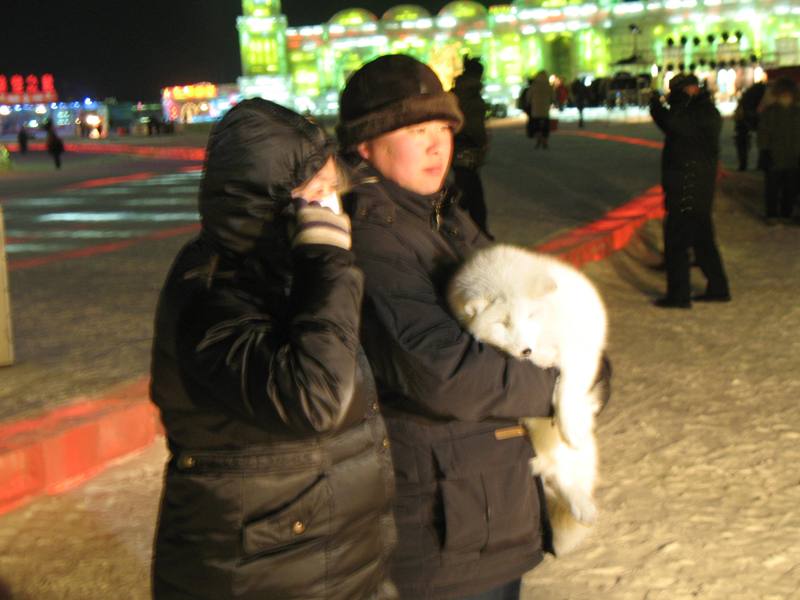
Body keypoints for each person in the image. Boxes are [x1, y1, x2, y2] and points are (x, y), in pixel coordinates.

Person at [149, 98, 397, 599]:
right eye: (319, 192)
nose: (333, 207)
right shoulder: (212, 295)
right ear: (266, 201)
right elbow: (316, 398)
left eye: (334, 190)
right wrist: (329, 265)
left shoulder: (291, 271)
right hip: (261, 574)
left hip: (333, 561)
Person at [337, 54, 562, 600]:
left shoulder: (442, 214)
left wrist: (578, 353)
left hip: (483, 501)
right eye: (418, 131)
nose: (439, 145)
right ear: (366, 144)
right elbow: (441, 372)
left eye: (443, 128)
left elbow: (544, 306)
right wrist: (561, 387)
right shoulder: (371, 237)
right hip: (443, 520)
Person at [649, 74, 731, 308]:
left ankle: (679, 294)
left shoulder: (696, 112)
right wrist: (658, 107)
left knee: (677, 240)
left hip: (687, 184)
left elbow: (675, 124)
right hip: (697, 184)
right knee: (702, 239)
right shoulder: (703, 109)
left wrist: (667, 104)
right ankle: (718, 287)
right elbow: (672, 124)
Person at [451, 56, 492, 238]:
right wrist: (478, 139)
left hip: (464, 147)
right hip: (466, 147)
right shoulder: (469, 92)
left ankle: (478, 229)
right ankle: (455, 228)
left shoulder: (461, 91)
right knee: (468, 195)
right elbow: (471, 122)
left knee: (469, 192)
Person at [756, 77, 800, 224]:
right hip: (774, 156)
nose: (786, 96)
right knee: (772, 188)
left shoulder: (797, 112)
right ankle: (772, 214)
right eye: (783, 93)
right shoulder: (771, 112)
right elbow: (763, 133)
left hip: (793, 157)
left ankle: (786, 213)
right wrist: (765, 151)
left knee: (791, 188)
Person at [526, 70, 554, 149]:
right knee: (545, 126)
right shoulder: (548, 86)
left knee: (536, 125)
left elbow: (528, 97)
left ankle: (538, 139)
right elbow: (553, 97)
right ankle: (545, 141)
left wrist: (529, 103)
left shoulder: (534, 85)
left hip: (536, 109)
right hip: (545, 109)